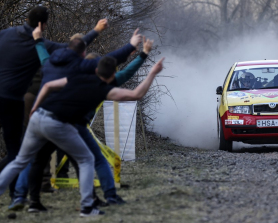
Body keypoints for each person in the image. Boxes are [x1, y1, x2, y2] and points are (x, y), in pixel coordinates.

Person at [0, 51, 165, 216]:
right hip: (59, 124)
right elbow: (136, 94)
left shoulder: (76, 76)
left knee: (21, 161)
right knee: (87, 160)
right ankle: (87, 207)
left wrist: (36, 107)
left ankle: (22, 197)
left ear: (95, 70)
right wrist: (152, 72)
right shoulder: (103, 90)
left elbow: (48, 86)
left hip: (38, 117)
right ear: (112, 74)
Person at [19, 23, 143, 212]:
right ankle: (102, 197)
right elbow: (125, 74)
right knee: (91, 160)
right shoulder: (98, 83)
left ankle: (25, 198)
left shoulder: (65, 72)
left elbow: (45, 61)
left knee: (35, 159)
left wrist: (38, 41)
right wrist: (141, 54)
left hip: (51, 120)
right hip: (71, 125)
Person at [0, 6, 107, 200]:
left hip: (19, 99)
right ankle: (17, 194)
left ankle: (21, 192)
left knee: (25, 152)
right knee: (19, 151)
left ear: (26, 18)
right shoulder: (43, 47)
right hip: (16, 100)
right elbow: (74, 49)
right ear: (43, 25)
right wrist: (97, 30)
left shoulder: (5, 34)